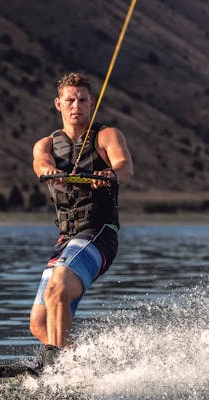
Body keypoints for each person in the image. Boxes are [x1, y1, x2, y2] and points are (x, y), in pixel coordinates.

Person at [29, 72, 133, 369]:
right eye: (70, 100)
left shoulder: (106, 135)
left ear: (92, 104)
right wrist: (51, 174)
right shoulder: (45, 145)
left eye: (83, 100)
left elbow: (125, 167)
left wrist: (110, 174)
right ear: (58, 104)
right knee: (39, 322)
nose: (76, 105)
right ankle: (83, 372)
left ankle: (51, 367)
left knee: (59, 285)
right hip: (66, 239)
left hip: (99, 233)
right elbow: (41, 165)